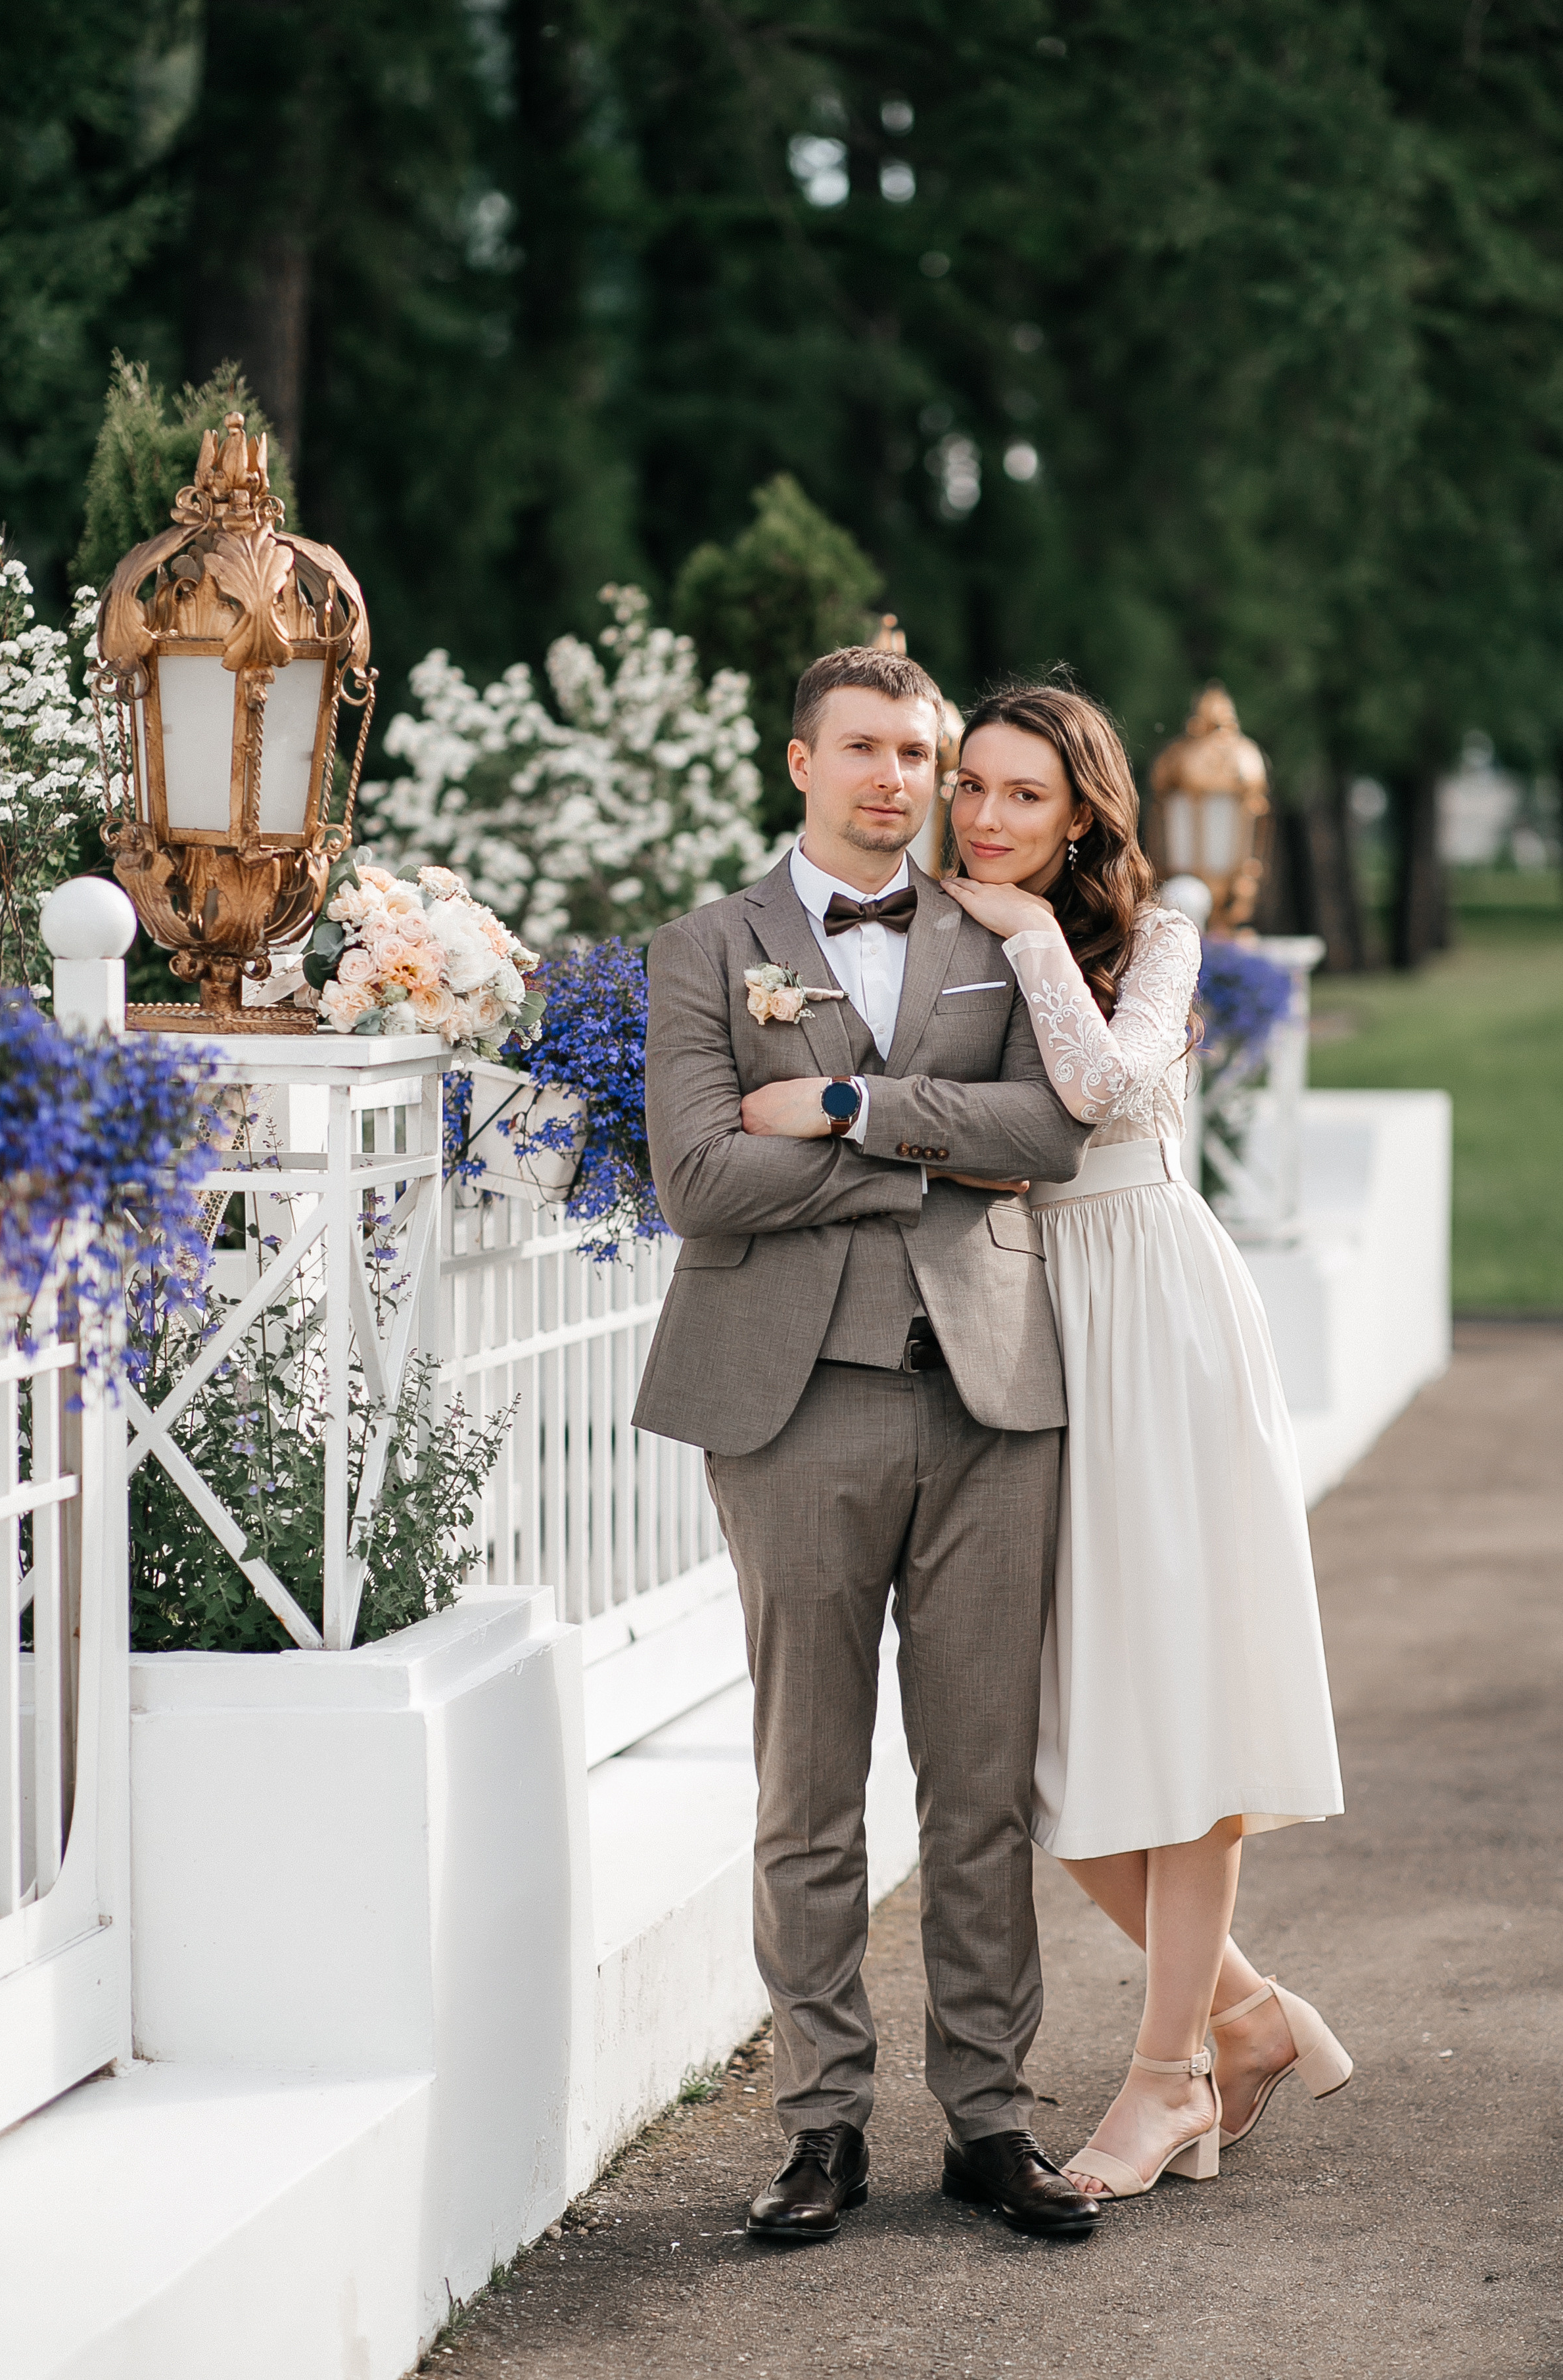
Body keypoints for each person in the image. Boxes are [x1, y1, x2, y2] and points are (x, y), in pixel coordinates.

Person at [635, 647, 1103, 2244]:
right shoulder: (708, 948)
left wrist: (840, 1107)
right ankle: (820, 2123)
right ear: (799, 761)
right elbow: (699, 1178)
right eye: (868, 750)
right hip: (791, 1405)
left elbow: (1051, 1130)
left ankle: (991, 2120)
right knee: (806, 1783)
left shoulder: (1001, 936)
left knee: (980, 1790)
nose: (902, 780)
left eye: (923, 751)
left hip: (990, 1403)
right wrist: (926, 1153)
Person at [939, 678, 1351, 2202]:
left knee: (1185, 1711)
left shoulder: (1157, 931)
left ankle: (1167, 2070)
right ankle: (1242, 2018)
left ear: (1082, 810)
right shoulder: (934, 930)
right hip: (1031, 1336)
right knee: (1053, 1754)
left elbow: (1105, 1086)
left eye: (1023, 793)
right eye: (970, 784)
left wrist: (1028, 934)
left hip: (1158, 1319)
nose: (986, 816)